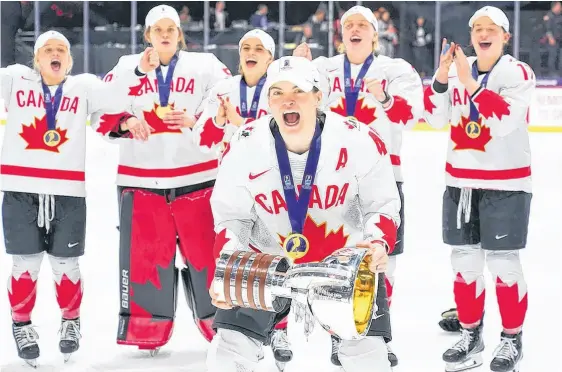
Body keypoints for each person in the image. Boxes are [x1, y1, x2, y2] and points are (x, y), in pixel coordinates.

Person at [206, 56, 401, 372]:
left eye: (298, 90)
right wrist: (226, 264)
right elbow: (232, 217)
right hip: (265, 260)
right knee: (229, 352)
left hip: (344, 264)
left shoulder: (358, 139)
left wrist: (378, 242)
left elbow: (381, 205)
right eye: (277, 92)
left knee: (368, 357)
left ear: (318, 96)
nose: (287, 100)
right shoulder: (244, 145)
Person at [90, 4, 231, 355]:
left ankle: (225, 328)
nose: (165, 34)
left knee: (208, 258)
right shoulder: (127, 67)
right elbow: (99, 111)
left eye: (171, 28)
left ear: (179, 33)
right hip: (141, 182)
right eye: (158, 30)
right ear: (148, 35)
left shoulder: (206, 65)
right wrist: (124, 122)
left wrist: (197, 119)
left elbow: (229, 103)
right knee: (146, 260)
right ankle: (147, 331)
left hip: (199, 179)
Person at [292, 5, 423, 367]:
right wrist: (296, 65)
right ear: (340, 34)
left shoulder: (396, 70)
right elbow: (293, 108)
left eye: (362, 24)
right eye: (348, 24)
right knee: (335, 260)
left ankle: (379, 335)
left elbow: (412, 117)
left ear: (375, 34)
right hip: (330, 181)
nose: (354, 29)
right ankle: (339, 334)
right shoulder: (321, 69)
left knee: (384, 263)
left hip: (383, 178)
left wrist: (384, 98)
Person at [0, 30, 140, 367]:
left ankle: (70, 323)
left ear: (69, 59)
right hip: (20, 190)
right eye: (47, 49)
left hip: (69, 193)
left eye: (61, 49)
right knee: (25, 264)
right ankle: (22, 326)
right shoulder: (15, 80)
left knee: (66, 264)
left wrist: (137, 71)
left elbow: (118, 97)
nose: (54, 53)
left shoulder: (84, 86)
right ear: (36, 58)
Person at [424, 6, 534, 372]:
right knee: (465, 264)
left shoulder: (517, 72)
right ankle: (471, 335)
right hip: (460, 183)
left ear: (505, 36)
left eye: (492, 29)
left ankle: (511, 339)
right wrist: (442, 77)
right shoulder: (458, 70)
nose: (483, 34)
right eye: (477, 29)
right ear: (471, 37)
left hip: (506, 184)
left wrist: (468, 81)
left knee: (504, 264)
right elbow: (434, 116)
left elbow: (502, 120)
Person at [193, 29, 275, 155]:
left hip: (268, 172)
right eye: (246, 48)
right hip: (230, 172)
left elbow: (286, 139)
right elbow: (203, 145)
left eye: (259, 49)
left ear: (270, 58)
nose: (251, 53)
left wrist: (241, 123)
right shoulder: (223, 90)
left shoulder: (279, 90)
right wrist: (217, 122)